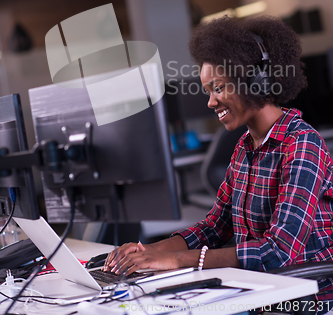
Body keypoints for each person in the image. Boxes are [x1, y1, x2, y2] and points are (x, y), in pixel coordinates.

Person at [103, 15, 333, 307]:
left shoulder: (301, 144)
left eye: (219, 88)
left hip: (307, 300)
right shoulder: (244, 148)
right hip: (261, 291)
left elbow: (278, 251)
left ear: (255, 79)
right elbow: (215, 226)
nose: (211, 102)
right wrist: (147, 251)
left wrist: (175, 260)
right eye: (208, 91)